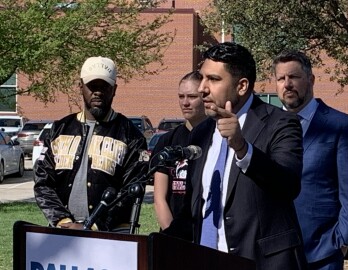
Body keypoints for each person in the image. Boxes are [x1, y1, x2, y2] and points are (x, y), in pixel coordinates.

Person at [165, 42, 308, 270]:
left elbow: (288, 185)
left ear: (241, 86)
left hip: (261, 263)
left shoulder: (280, 123)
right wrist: (157, 243)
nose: (202, 88)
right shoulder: (201, 132)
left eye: (213, 79)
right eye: (202, 78)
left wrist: (243, 148)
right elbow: (195, 209)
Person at [273, 50, 348, 269]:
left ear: (311, 79)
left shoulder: (341, 126)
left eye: (293, 77)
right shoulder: (269, 125)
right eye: (281, 79)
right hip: (276, 251)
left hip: (322, 252)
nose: (287, 84)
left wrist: (344, 240)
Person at [33, 56, 148, 232]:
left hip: (111, 234)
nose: (98, 92)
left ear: (114, 89)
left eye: (104, 86)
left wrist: (93, 225)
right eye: (92, 86)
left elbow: (131, 191)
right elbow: (43, 182)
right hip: (63, 231)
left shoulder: (131, 136)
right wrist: (62, 221)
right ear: (80, 87)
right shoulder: (59, 129)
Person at [151, 71, 206, 230]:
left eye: (192, 97)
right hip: (174, 233)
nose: (185, 102)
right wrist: (171, 235)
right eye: (181, 97)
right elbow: (159, 198)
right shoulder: (167, 141)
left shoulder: (216, 138)